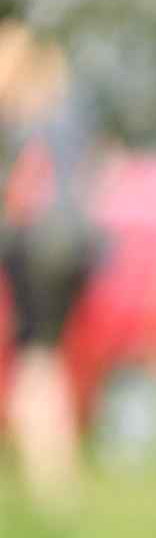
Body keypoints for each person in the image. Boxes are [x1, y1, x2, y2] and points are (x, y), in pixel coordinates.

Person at [0, 26, 102, 511]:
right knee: (47, 356)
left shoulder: (19, 124)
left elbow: (20, 193)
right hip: (76, 245)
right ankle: (54, 473)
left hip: (35, 245)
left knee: (36, 359)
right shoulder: (68, 113)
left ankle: (50, 482)